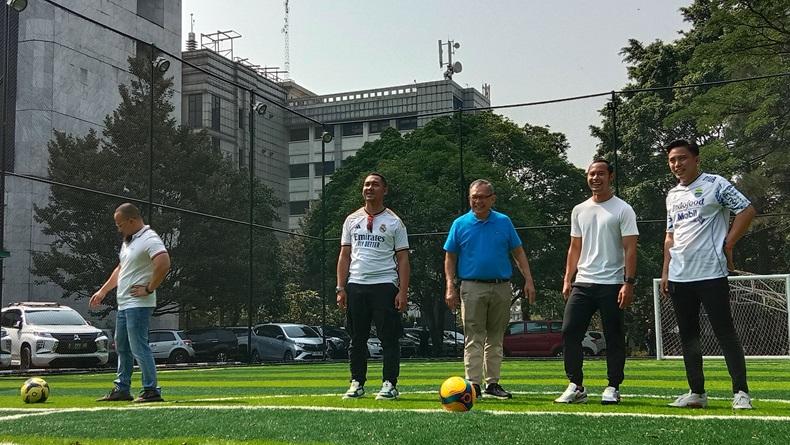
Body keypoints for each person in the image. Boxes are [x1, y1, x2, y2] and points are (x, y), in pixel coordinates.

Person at [659, 139, 756, 410]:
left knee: (725, 333)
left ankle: (741, 392)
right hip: (680, 276)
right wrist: (666, 270)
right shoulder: (672, 195)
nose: (677, 164)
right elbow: (670, 236)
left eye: (682, 158)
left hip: (711, 273)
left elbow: (747, 210)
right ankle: (697, 392)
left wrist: (729, 243)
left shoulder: (716, 184)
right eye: (672, 160)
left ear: (696, 159)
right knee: (688, 336)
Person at [555, 159, 638, 405]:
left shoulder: (623, 209)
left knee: (613, 335)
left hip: (612, 283)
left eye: (600, 173)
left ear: (610, 176)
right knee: (570, 331)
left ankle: (613, 386)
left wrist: (628, 282)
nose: (595, 178)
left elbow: (630, 248)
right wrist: (567, 278)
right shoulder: (579, 209)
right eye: (591, 174)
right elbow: (575, 246)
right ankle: (576, 385)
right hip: (583, 282)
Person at [444, 179, 536, 400]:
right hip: (471, 286)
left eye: (482, 197)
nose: (478, 201)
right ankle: (473, 385)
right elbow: (450, 256)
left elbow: (519, 252)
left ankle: (492, 383)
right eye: (474, 197)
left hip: (501, 286)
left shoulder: (504, 222)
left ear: (492, 198)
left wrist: (529, 280)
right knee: (474, 337)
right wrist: (450, 286)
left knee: (495, 338)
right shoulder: (460, 223)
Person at [336, 173, 410, 400]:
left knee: (388, 338)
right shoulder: (351, 220)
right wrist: (341, 288)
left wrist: (403, 291)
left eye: (375, 185)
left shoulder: (394, 222)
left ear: (384, 190)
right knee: (357, 338)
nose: (369, 188)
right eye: (367, 184)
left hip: (385, 285)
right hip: (357, 285)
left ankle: (390, 384)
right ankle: (356, 382)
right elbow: (345, 255)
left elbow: (404, 259)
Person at [90, 203, 171, 403]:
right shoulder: (129, 241)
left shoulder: (149, 238)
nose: (119, 229)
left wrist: (149, 288)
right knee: (122, 347)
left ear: (132, 221)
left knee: (138, 347)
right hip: (125, 304)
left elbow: (164, 263)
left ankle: (151, 390)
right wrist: (103, 291)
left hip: (138, 305)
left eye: (120, 225)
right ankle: (122, 388)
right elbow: (121, 269)